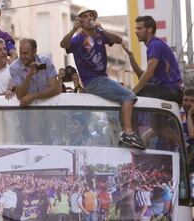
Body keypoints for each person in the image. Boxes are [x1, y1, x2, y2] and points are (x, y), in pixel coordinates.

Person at [60, 8, 145, 149]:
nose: (89, 18)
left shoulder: (99, 34)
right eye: (85, 16)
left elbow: (118, 40)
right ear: (80, 21)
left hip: (102, 79)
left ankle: (121, 133)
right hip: (93, 81)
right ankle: (128, 132)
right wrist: (72, 30)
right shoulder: (78, 38)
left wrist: (102, 30)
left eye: (91, 16)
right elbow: (63, 44)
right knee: (129, 96)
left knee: (119, 103)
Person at [122, 15, 183, 104]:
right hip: (168, 90)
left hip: (172, 90)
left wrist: (132, 92)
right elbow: (142, 77)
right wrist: (131, 57)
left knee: (133, 95)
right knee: (136, 90)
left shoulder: (155, 45)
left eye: (139, 29)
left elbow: (148, 74)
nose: (136, 32)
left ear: (149, 29)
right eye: (136, 29)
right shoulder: (153, 45)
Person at [10, 38, 60, 107]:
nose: (22, 56)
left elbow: (55, 89)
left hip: (49, 107)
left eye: (25, 53)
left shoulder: (45, 61)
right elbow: (20, 95)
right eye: (20, 52)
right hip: (29, 112)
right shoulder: (14, 67)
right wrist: (29, 75)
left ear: (34, 51)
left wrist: (33, 96)